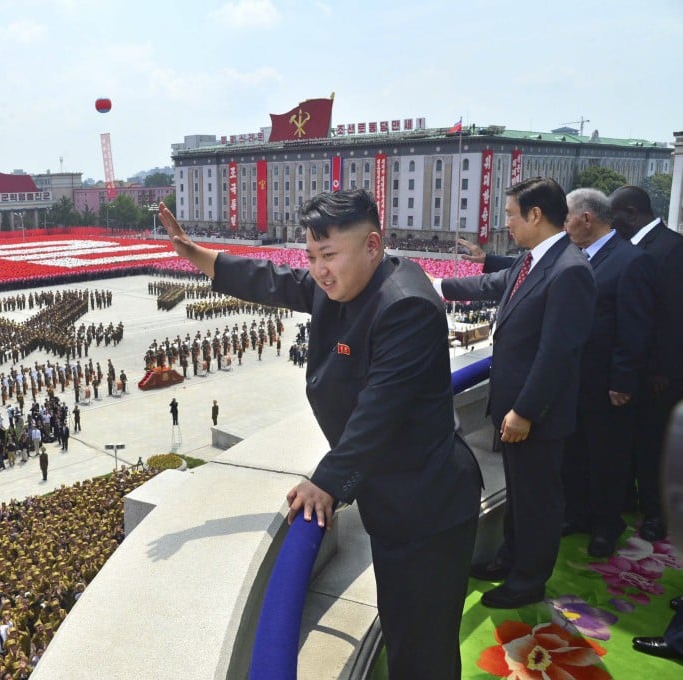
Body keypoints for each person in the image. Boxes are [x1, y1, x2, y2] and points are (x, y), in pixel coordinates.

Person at [158, 191, 481, 680]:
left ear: (373, 245)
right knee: (404, 631)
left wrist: (325, 483)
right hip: (396, 500)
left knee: (424, 644)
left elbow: (380, 411)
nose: (318, 270)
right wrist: (197, 255)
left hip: (428, 507)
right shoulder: (346, 284)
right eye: (311, 257)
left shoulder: (405, 305)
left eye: (329, 256)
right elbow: (273, 280)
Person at [438, 177, 596, 608]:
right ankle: (510, 560)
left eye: (510, 214)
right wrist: (437, 288)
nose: (506, 222)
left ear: (536, 215)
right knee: (521, 494)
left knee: (539, 501)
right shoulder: (536, 262)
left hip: (536, 416)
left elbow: (557, 354)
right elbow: (495, 285)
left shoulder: (570, 270)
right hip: (515, 410)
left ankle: (528, 582)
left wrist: (525, 411)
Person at [560, 188, 656, 557]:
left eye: (567, 217)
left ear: (586, 218)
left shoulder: (632, 261)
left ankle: (606, 525)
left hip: (607, 382)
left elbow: (635, 326)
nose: (564, 225)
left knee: (607, 457)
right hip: (575, 378)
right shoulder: (576, 255)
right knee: (576, 453)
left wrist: (623, 379)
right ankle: (579, 514)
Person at [609, 185, 683, 542]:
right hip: (631, 366)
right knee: (630, 439)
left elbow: (673, 317)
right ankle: (631, 499)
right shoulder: (632, 248)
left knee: (654, 443)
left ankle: (656, 514)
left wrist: (662, 370)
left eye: (615, 215)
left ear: (632, 211)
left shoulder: (672, 247)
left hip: (658, 373)